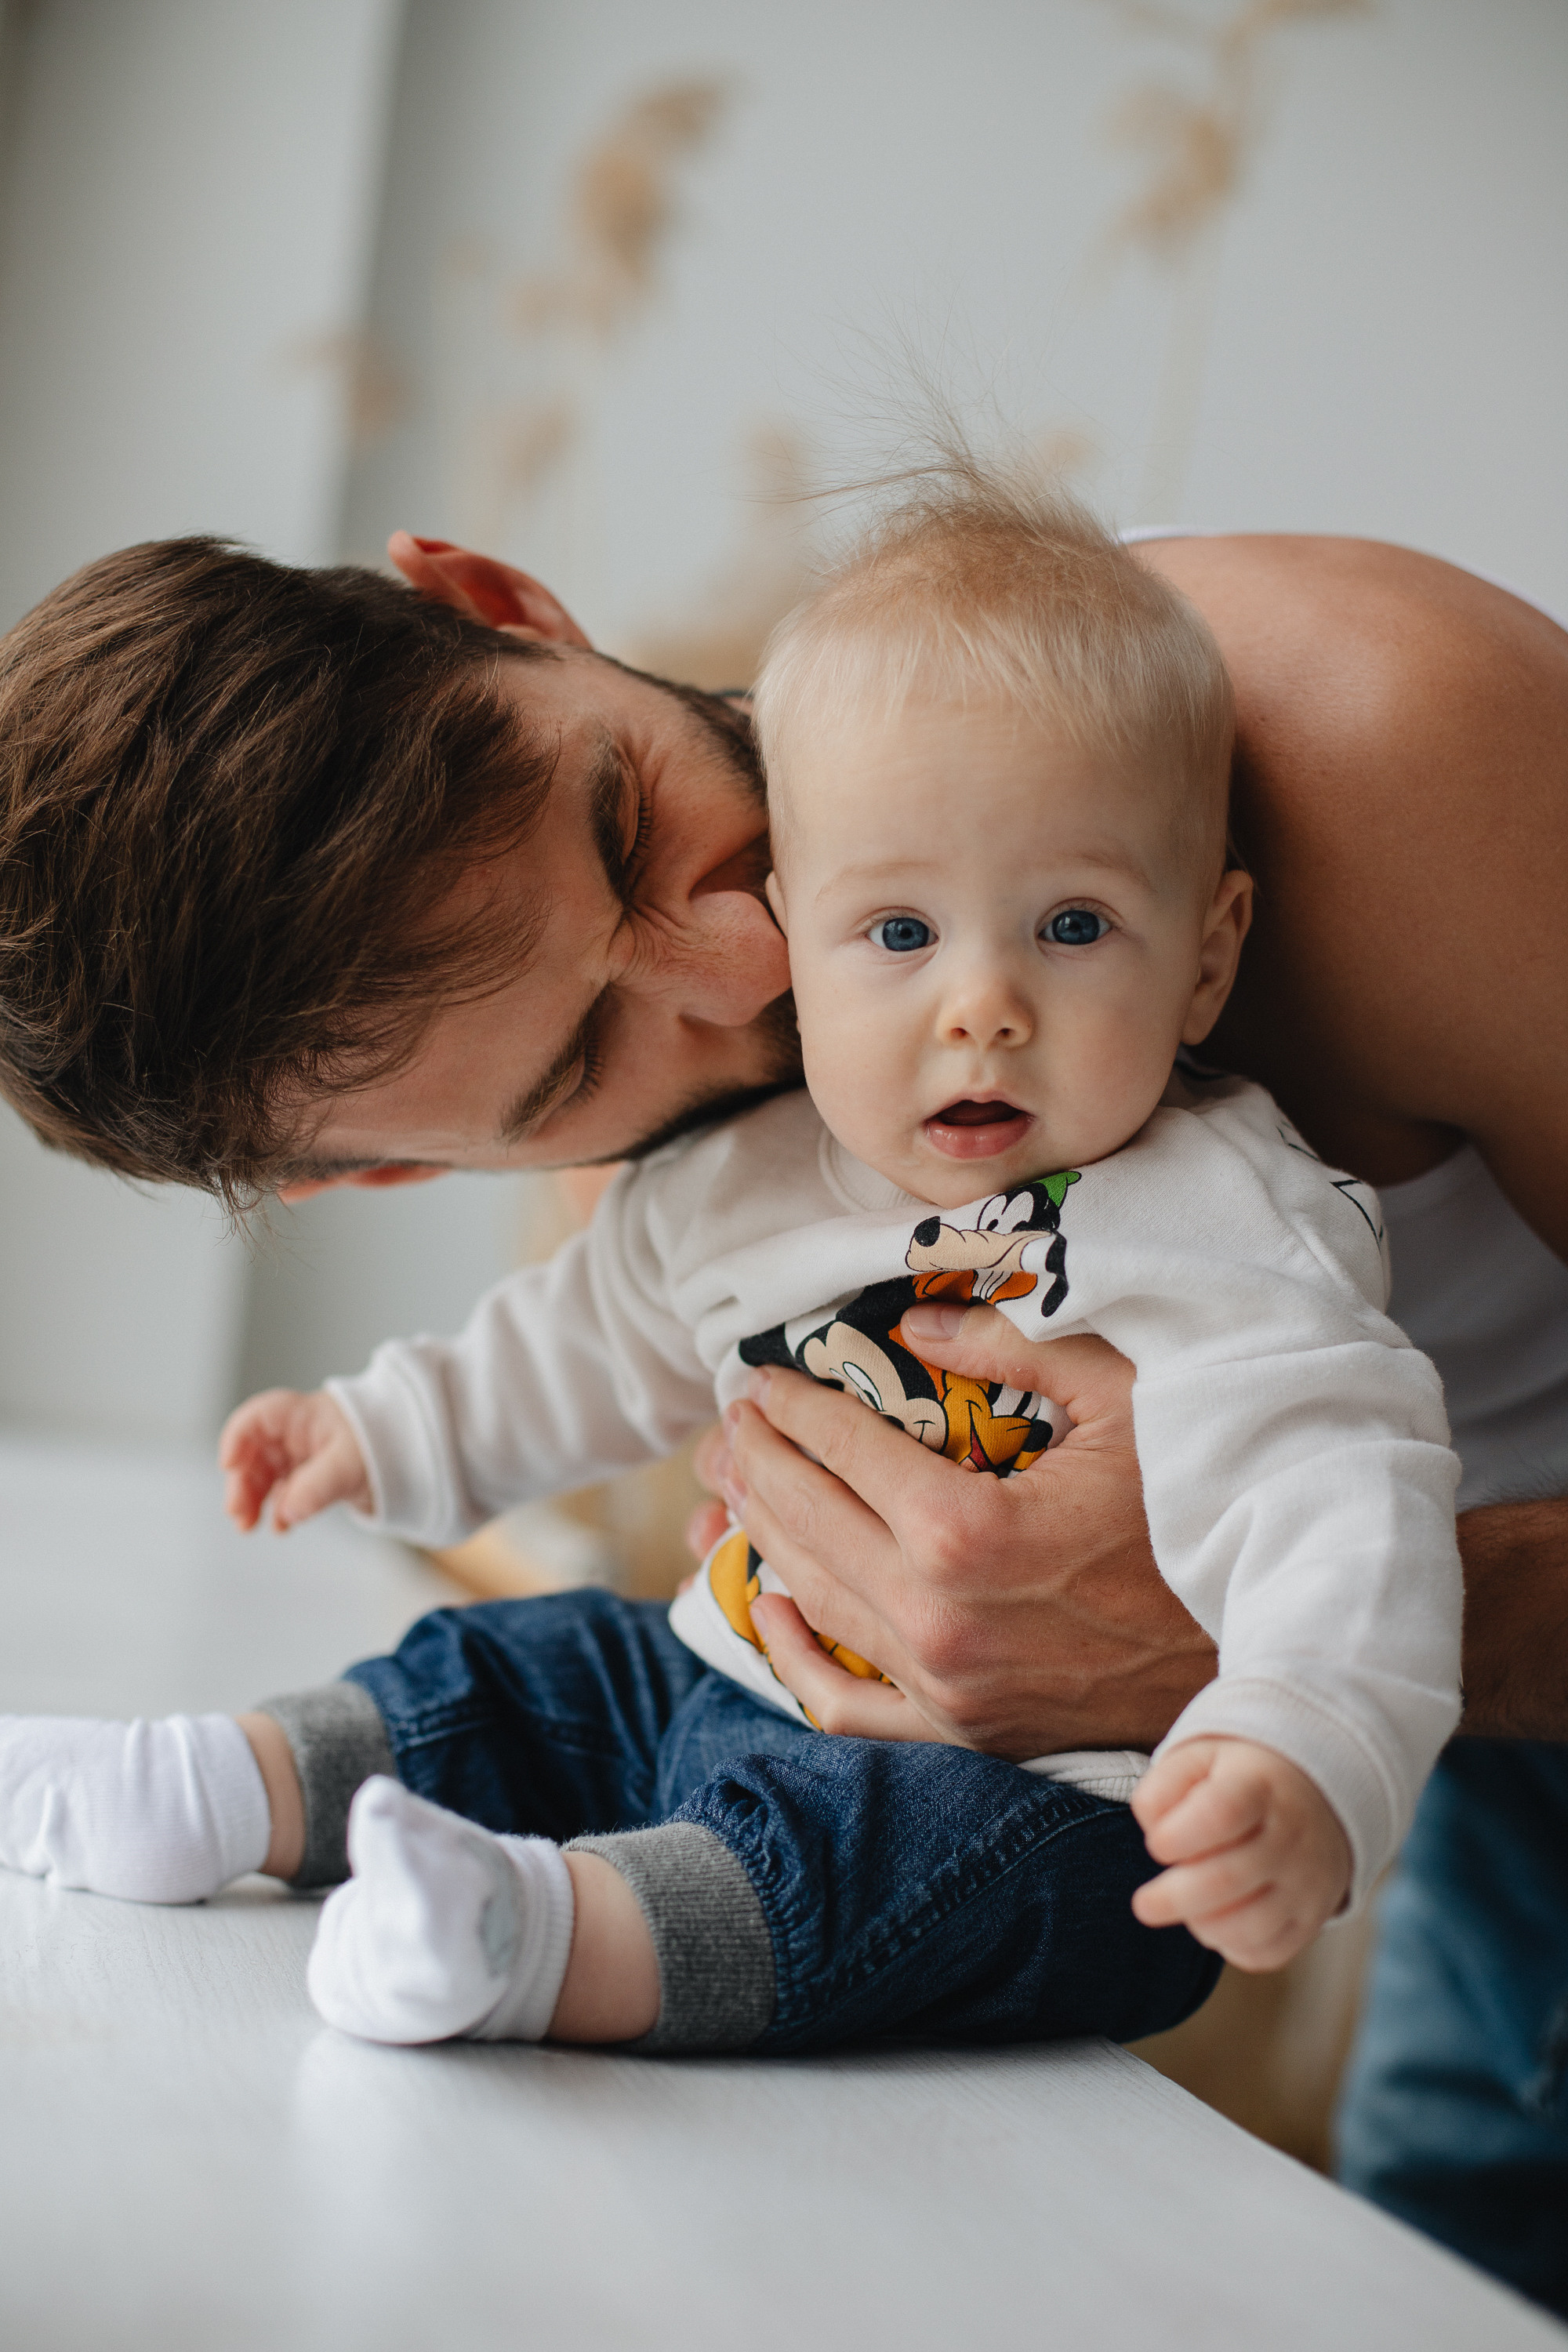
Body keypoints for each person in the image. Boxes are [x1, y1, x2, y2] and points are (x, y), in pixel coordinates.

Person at [0, 503, 1563, 2296]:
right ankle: (260, 1784)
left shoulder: (1373, 754)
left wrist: (1220, 1649)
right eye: (586, 1055)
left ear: (504, 603)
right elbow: (568, 1370)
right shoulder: (678, 1181)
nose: (743, 968)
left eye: (626, 822)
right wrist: (382, 1438)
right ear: (385, 1176)